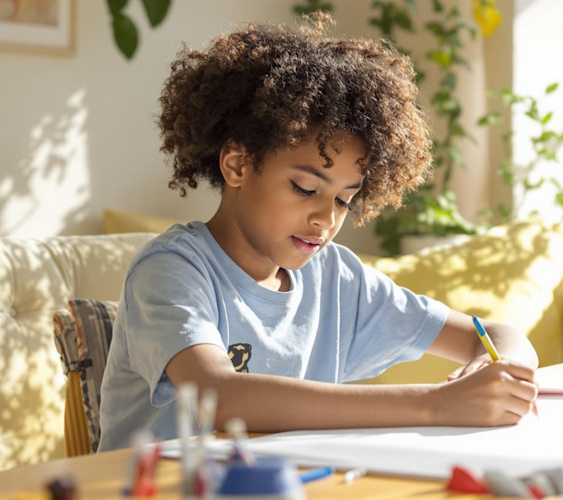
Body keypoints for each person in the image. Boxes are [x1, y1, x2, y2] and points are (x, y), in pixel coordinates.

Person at [98, 16, 539, 452]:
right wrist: (436, 405)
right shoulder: (172, 270)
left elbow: (491, 334)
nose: (326, 218)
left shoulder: (336, 277)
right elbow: (219, 397)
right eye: (306, 189)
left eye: (345, 199)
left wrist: (503, 371)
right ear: (237, 164)